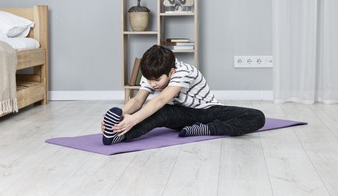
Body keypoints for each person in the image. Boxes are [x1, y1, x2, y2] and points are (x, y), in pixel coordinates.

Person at [102, 45, 265, 145]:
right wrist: (122, 117)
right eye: (150, 80)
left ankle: (206, 129)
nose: (153, 84)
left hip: (207, 112)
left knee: (257, 117)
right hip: (181, 117)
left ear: (171, 72)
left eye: (157, 80)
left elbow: (161, 99)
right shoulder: (152, 73)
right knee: (162, 112)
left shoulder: (184, 72)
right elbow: (138, 100)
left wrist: (134, 119)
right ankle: (120, 136)